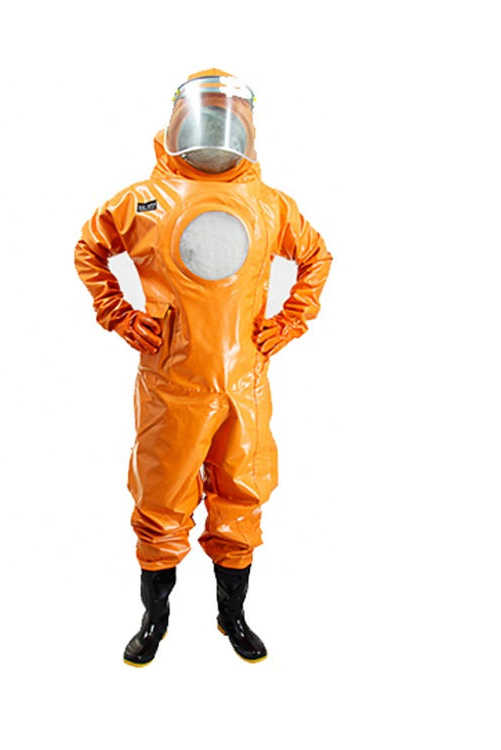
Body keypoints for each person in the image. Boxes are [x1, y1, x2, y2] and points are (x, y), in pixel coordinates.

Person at [74, 69, 332, 666]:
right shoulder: (143, 200)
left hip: (244, 384)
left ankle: (231, 615)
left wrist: (289, 321)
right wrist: (118, 313)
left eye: (225, 116)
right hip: (172, 386)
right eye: (204, 114)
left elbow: (315, 256)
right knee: (161, 501)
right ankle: (155, 619)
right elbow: (91, 247)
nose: (214, 129)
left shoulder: (268, 205)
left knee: (241, 495)